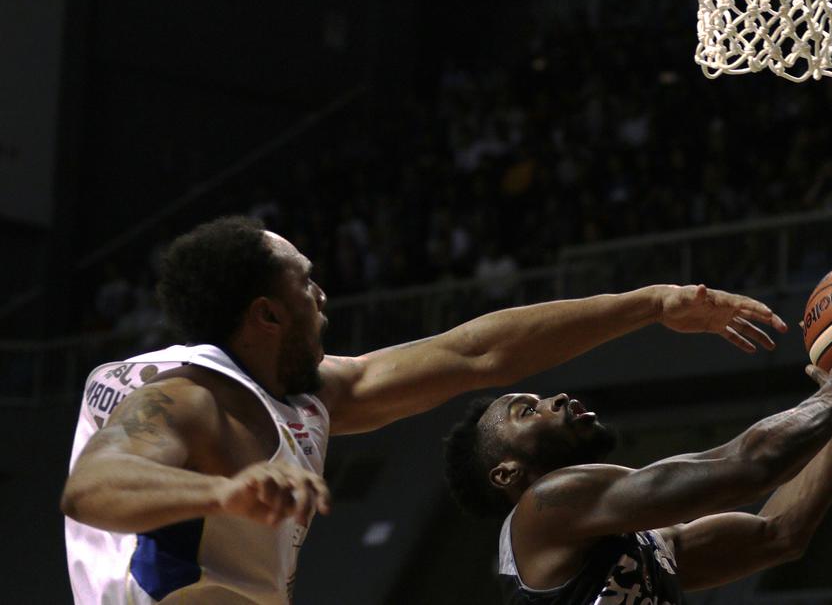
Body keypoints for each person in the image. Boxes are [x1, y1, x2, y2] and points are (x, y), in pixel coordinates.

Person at [61, 216, 786, 604]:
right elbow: (93, 487)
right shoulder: (188, 397)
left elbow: (477, 355)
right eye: (305, 283)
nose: (322, 296)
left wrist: (652, 305)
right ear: (266, 314)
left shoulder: (309, 392)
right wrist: (220, 490)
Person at [443, 322, 832, 603]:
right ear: (506, 473)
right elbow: (746, 467)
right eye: (527, 411)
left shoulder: (643, 548)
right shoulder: (544, 504)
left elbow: (780, 534)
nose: (555, 398)